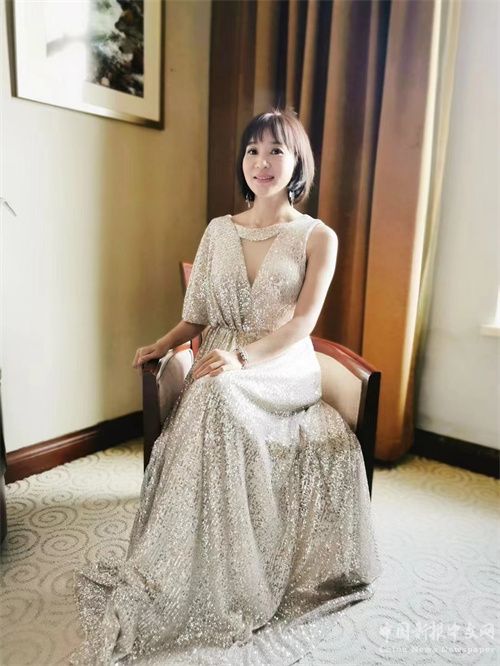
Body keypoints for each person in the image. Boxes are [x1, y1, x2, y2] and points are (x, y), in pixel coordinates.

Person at [70, 107, 382, 665]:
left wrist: (242, 358)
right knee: (212, 391)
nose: (262, 162)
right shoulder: (218, 230)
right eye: (252, 151)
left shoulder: (318, 236)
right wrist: (163, 344)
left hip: (280, 361)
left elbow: (302, 324)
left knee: (216, 390)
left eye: (276, 150)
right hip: (221, 353)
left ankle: (237, 573)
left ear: (298, 162)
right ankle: (191, 561)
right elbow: (196, 316)